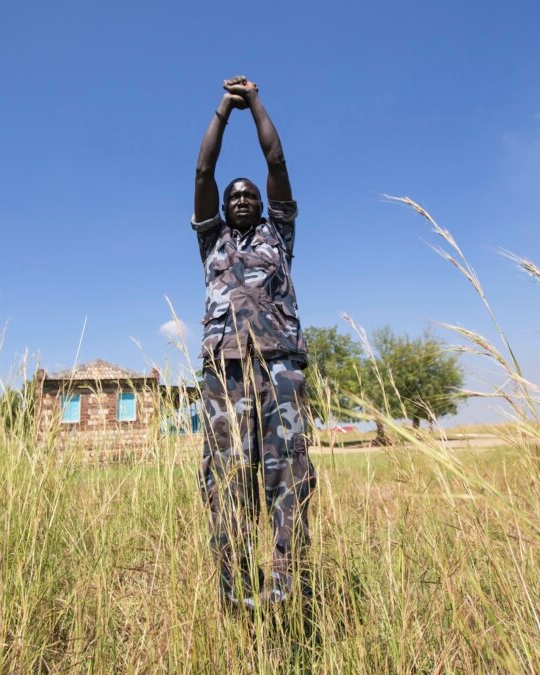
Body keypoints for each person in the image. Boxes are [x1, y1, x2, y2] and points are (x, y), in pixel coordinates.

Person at [191, 76, 316, 611]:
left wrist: (256, 101)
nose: (242, 198)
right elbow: (203, 170)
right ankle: (232, 586)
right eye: (233, 196)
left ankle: (287, 584)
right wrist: (224, 107)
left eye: (250, 195)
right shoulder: (211, 240)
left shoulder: (278, 237)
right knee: (225, 475)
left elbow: (278, 161)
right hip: (224, 371)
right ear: (223, 207)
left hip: (280, 369)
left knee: (288, 468)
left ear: (262, 206)